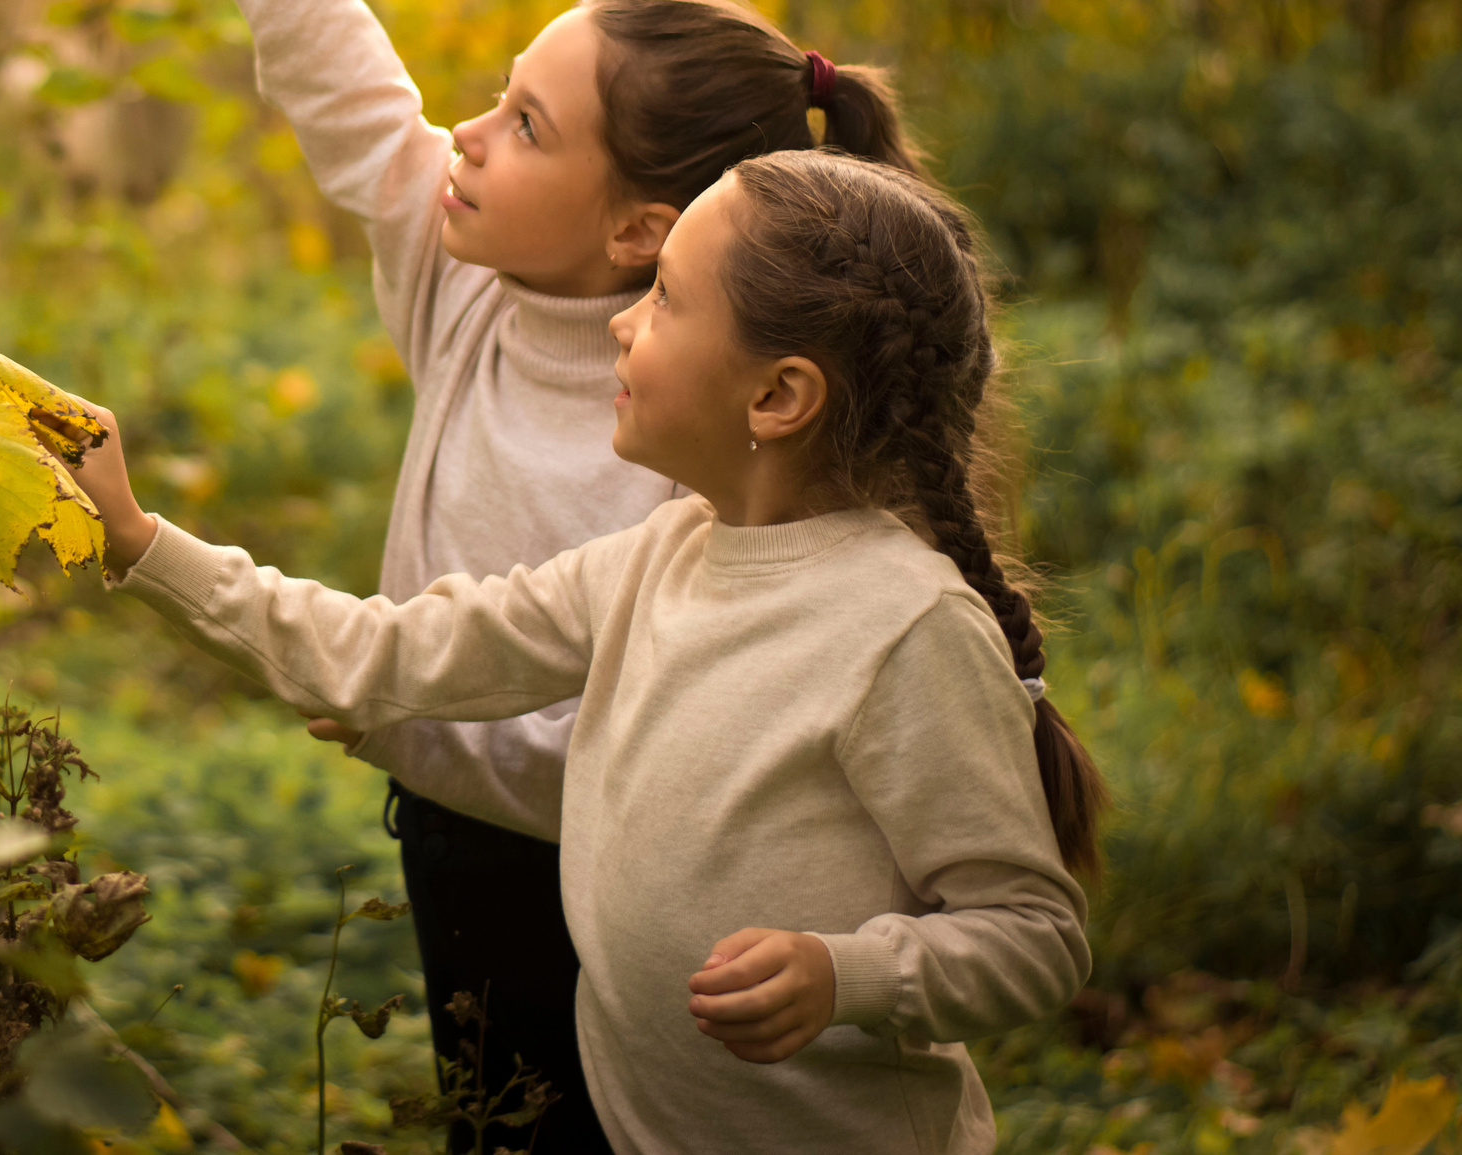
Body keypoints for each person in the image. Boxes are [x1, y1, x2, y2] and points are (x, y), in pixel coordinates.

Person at [8, 0, 926, 1150]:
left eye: (525, 124)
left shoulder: (706, 423)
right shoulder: (460, 264)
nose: (467, 139)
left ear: (641, 230)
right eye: (492, 98)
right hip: (455, 851)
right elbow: (315, 26)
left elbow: (692, 726)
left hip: (659, 896)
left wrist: (398, 698)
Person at [66, 148, 1104, 1155]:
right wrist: (139, 539)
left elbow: (1033, 934)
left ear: (777, 397)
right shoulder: (655, 559)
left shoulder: (906, 628)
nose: (621, 319)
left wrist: (849, 976)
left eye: (665, 299)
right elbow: (388, 651)